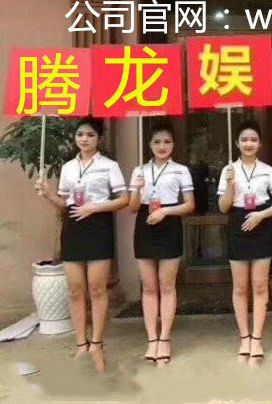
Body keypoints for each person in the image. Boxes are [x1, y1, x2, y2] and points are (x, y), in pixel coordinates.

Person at [34, 117, 128, 372]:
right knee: (76, 290)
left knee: (97, 288)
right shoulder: (68, 168)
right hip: (73, 228)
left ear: (99, 139)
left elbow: (123, 199)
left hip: (98, 227)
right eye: (80, 135)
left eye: (90, 135)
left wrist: (94, 207)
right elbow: (65, 204)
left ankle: (97, 343)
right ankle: (81, 344)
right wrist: (47, 194)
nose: (84, 139)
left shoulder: (109, 166)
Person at [217, 120, 272, 367]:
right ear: (237, 143)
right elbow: (223, 207)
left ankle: (257, 339)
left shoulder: (267, 170)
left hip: (261, 224)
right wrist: (229, 185)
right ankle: (244, 338)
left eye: (253, 140)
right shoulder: (229, 171)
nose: (249, 143)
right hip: (237, 224)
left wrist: (261, 215)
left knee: (259, 286)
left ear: (260, 144)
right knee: (239, 288)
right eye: (244, 139)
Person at [128, 119, 195, 365]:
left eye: (167, 141)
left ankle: (165, 338)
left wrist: (166, 211)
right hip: (145, 224)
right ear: (149, 145)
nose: (162, 146)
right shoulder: (139, 171)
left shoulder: (181, 170)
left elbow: (189, 205)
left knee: (167, 286)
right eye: (157, 142)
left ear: (173, 144)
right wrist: (136, 190)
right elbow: (132, 208)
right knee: (148, 287)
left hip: (169, 224)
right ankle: (152, 339)